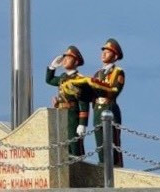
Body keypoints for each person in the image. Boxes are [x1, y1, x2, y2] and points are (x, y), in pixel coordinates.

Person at [45, 45, 90, 157]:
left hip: (72, 115)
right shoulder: (63, 77)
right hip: (61, 114)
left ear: (76, 62)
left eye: (69, 57)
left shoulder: (79, 79)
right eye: (64, 56)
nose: (65, 59)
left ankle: (78, 170)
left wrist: (82, 124)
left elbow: (84, 101)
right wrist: (52, 67)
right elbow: (49, 80)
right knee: (62, 145)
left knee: (74, 146)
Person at [89, 38, 126, 167]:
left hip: (110, 108)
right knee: (100, 144)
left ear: (115, 56)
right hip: (98, 110)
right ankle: (102, 167)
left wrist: (99, 86)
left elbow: (115, 90)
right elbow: (91, 93)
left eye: (108, 51)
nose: (103, 53)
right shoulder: (97, 73)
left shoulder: (118, 72)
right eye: (103, 51)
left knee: (112, 144)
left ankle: (116, 170)